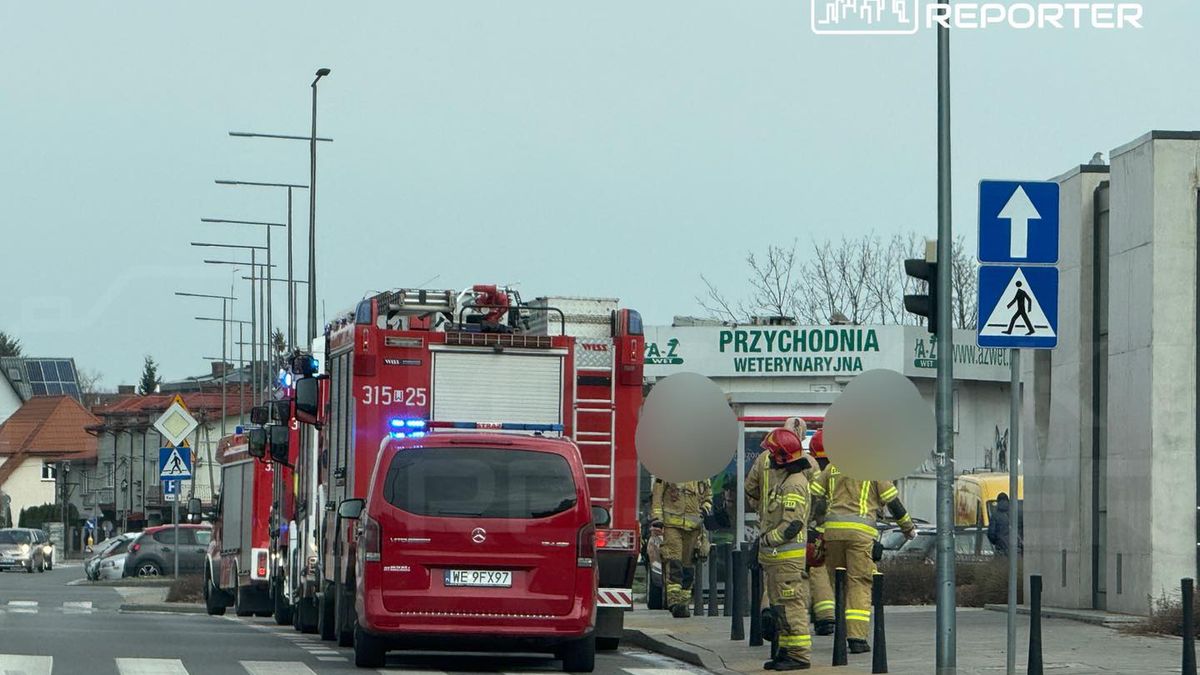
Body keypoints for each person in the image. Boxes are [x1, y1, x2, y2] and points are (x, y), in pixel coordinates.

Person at [810, 463, 916, 655]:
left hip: (832, 534)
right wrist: (907, 528)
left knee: (839, 583)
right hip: (860, 535)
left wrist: (816, 525)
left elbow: (815, 496)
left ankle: (841, 632)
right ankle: (857, 638)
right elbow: (892, 502)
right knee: (859, 583)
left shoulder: (833, 466)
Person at [757, 427, 816, 670]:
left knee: (792, 607)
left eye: (772, 454)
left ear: (782, 457)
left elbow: (792, 525)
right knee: (780, 608)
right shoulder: (784, 481)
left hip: (787, 560)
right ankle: (786, 651)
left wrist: (767, 540)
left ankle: (799, 655)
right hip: (777, 561)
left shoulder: (794, 484)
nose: (769, 458)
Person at [650, 477, 713, 618]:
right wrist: (657, 518)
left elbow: (708, 496)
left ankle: (683, 604)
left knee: (688, 567)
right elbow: (657, 495)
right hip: (672, 526)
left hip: (694, 528)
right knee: (674, 562)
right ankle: (674, 601)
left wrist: (705, 510)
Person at [804, 430, 835, 636]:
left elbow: (812, 505)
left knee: (817, 572)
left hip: (820, 533)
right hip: (849, 533)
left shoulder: (813, 473)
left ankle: (825, 617)